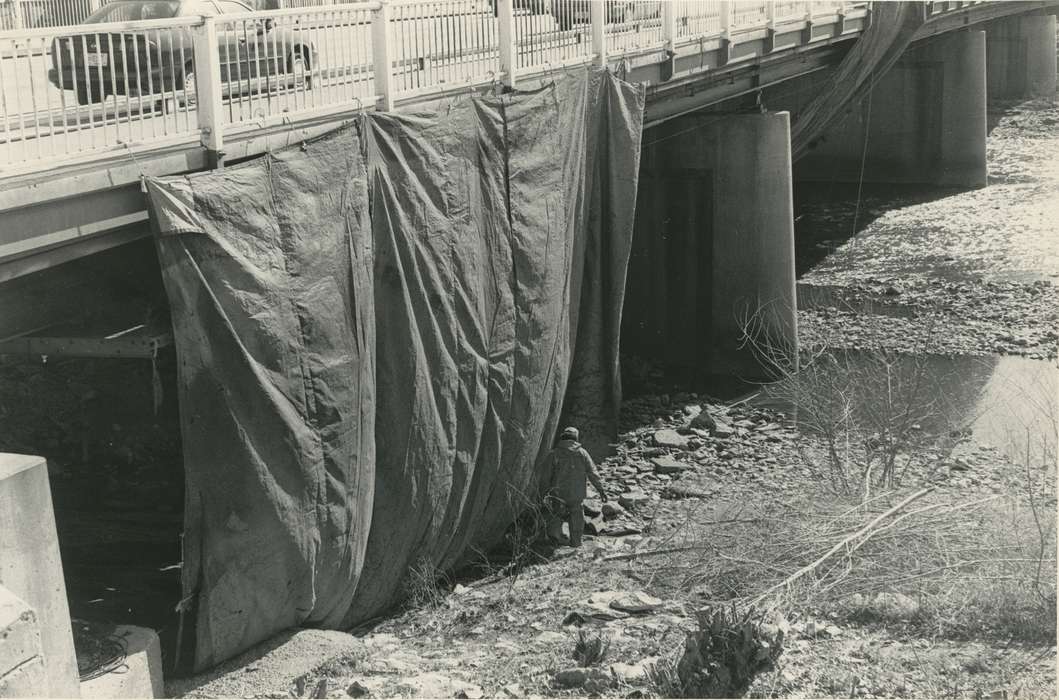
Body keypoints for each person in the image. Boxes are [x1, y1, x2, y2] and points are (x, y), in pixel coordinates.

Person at [542, 426, 607, 547]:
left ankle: (555, 543)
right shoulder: (582, 453)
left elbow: (545, 477)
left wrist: (544, 493)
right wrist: (601, 490)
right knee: (577, 517)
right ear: (576, 438)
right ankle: (576, 543)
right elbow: (593, 473)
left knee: (556, 516)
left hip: (558, 493)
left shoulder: (554, 454)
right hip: (577, 493)